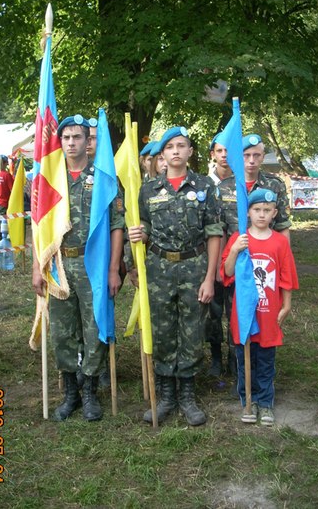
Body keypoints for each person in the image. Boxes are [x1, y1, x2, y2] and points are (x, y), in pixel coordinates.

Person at [32, 115, 124, 422]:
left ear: (88, 141)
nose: (71, 143)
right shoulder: (51, 179)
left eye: (78, 137)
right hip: (59, 264)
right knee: (62, 331)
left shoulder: (103, 177)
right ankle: (71, 391)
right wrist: (37, 267)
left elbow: (117, 226)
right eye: (66, 137)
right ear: (60, 141)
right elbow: (39, 227)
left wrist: (114, 269)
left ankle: (90, 392)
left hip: (92, 264)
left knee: (94, 326)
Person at [128, 126, 222, 426]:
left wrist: (209, 278)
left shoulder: (205, 186)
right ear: (163, 154)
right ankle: (167, 394)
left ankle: (188, 396)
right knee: (163, 330)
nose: (176, 151)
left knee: (192, 330)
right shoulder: (149, 189)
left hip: (194, 266)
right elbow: (143, 226)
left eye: (181, 146)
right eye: (170, 147)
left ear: (190, 152)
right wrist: (139, 236)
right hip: (159, 268)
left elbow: (214, 232)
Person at [221, 188, 298, 426]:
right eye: (257, 210)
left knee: (265, 361)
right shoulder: (239, 239)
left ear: (274, 213)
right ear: (248, 212)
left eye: (267, 210)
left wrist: (287, 305)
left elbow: (286, 276)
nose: (262, 214)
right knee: (245, 360)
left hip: (269, 313)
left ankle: (265, 403)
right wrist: (235, 249)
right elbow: (227, 272)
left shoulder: (279, 242)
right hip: (245, 312)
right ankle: (249, 400)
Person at [220, 134, 292, 242]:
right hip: (235, 250)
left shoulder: (275, 185)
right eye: (246, 155)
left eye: (256, 155)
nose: (251, 160)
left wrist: (284, 252)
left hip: (267, 249)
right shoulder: (224, 187)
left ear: (263, 157)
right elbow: (221, 230)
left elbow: (282, 226)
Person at [205, 133, 234, 379]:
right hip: (210, 258)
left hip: (237, 259)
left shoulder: (242, 183)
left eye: (229, 150)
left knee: (235, 310)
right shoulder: (203, 185)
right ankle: (215, 357)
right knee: (213, 312)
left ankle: (235, 356)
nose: (225, 155)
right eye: (220, 151)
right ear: (212, 154)